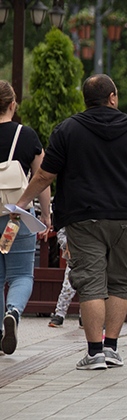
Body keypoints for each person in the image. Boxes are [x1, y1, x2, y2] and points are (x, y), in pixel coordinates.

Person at [17, 75, 127, 370]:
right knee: (121, 281)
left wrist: (22, 203)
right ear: (112, 97)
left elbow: (46, 175)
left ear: (86, 99)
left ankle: (94, 352)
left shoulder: (68, 129)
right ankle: (111, 348)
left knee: (90, 282)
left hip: (83, 217)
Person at [0, 81, 51, 355]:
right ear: (12, 104)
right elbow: (42, 177)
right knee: (21, 274)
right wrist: (46, 214)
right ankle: (14, 312)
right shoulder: (26, 135)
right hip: (16, 216)